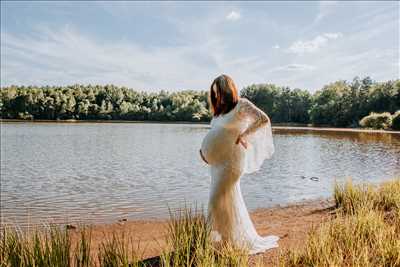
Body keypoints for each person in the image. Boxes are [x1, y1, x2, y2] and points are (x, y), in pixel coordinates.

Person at [200, 74, 279, 254]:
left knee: (216, 199)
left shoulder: (241, 105)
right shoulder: (220, 112)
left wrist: (244, 135)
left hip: (231, 162)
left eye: (219, 92)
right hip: (217, 163)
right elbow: (217, 134)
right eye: (214, 93)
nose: (217, 96)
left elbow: (263, 119)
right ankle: (223, 241)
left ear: (228, 90)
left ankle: (218, 242)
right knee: (224, 200)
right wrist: (205, 152)